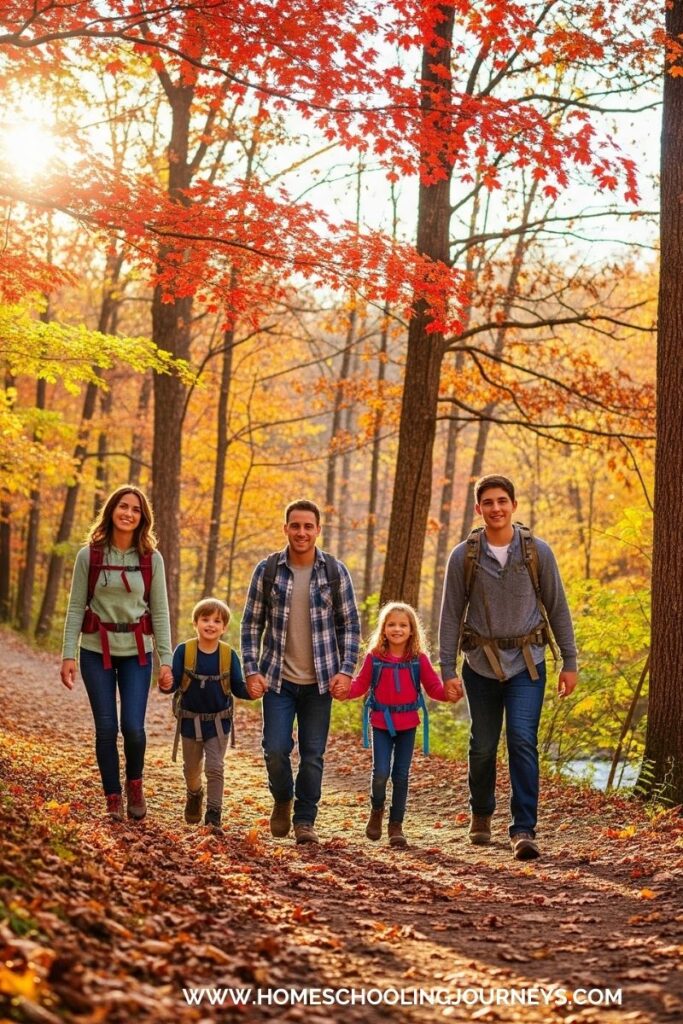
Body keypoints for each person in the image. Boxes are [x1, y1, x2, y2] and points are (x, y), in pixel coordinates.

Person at [439, 474, 578, 861]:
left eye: (502, 501)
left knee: (521, 739)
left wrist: (570, 660)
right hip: (480, 666)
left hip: (528, 666)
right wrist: (446, 668)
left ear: (513, 506)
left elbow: (557, 607)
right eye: (488, 502)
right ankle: (481, 812)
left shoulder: (537, 552)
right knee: (483, 745)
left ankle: (523, 828)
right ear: (478, 508)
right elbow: (450, 614)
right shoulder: (463, 556)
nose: (496, 508)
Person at [241, 499, 361, 844]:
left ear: (318, 530)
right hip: (277, 679)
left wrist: (346, 670)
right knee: (275, 749)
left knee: (313, 755)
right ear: (286, 529)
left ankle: (305, 819)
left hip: (321, 682)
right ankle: (282, 798)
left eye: (309, 526)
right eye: (295, 526)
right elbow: (251, 624)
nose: (302, 532)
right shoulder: (268, 570)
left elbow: (350, 625)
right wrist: (251, 669)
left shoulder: (335, 572)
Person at [60, 485, 173, 821]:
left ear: (143, 517)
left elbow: (161, 612)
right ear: (111, 510)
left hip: (137, 652)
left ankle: (134, 783)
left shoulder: (152, 559)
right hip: (96, 650)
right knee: (107, 728)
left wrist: (165, 660)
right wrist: (68, 654)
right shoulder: (90, 555)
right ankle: (113, 797)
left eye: (135, 509)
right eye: (122, 507)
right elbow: (76, 607)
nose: (128, 513)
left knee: (133, 728)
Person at [333, 601, 455, 848]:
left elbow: (433, 687)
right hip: (380, 722)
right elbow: (360, 684)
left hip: (408, 723)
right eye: (391, 624)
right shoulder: (375, 658)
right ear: (383, 628)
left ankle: (396, 825)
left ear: (412, 630)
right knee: (380, 774)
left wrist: (449, 693)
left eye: (403, 625)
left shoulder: (418, 659)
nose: (397, 629)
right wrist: (345, 691)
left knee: (401, 776)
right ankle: (377, 810)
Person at [159, 598, 250, 829]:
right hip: (189, 721)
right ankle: (194, 793)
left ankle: (214, 814)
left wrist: (254, 691)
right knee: (191, 769)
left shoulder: (229, 655)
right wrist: (165, 684)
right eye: (205, 619)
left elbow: (239, 688)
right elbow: (174, 683)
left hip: (219, 722)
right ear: (195, 623)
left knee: (215, 767)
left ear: (224, 627)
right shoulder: (184, 650)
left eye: (217, 621)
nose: (211, 625)